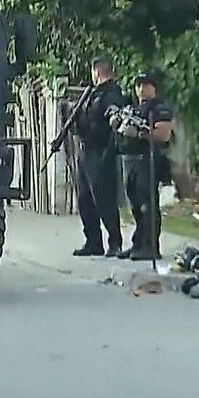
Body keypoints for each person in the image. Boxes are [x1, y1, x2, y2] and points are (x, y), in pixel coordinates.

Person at [68, 56, 128, 257]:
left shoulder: (111, 95)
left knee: (104, 199)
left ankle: (114, 242)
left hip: (101, 152)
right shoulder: (92, 94)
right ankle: (93, 241)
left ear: (97, 71)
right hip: (86, 150)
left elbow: (108, 126)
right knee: (84, 199)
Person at [115, 71, 174, 261]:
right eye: (138, 85)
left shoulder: (160, 108)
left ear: (154, 87)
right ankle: (138, 243)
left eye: (145, 85)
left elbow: (163, 135)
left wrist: (140, 133)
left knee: (147, 204)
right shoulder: (134, 108)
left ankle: (150, 246)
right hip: (130, 159)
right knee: (134, 205)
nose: (141, 90)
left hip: (147, 159)